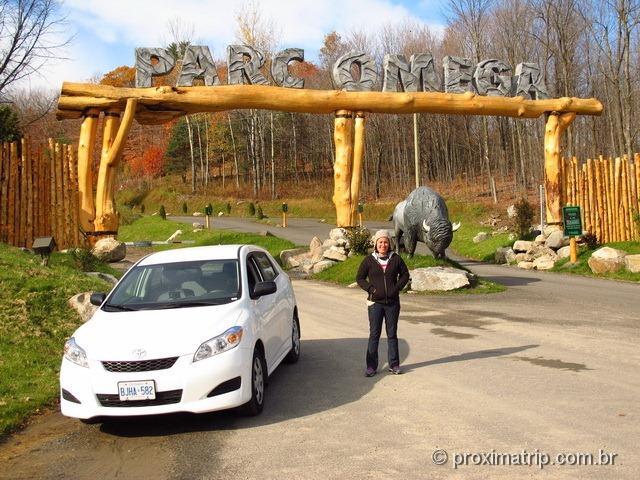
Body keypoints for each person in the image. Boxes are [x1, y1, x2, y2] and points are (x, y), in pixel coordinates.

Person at [356, 229, 410, 377]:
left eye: (385, 242)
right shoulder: (369, 260)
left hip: (392, 303)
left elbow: (405, 274)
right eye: (380, 242)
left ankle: (394, 365)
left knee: (392, 334)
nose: (383, 244)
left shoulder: (396, 258)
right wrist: (370, 289)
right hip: (375, 304)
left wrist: (397, 288)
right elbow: (360, 278)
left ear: (389, 243)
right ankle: (371, 367)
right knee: (374, 334)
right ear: (376, 244)